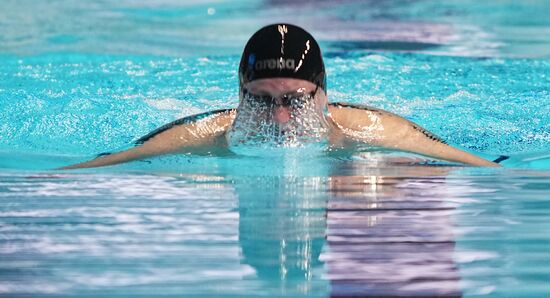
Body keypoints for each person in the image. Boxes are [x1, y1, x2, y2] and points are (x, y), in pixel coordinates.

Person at [61, 23, 503, 170]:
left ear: (325, 96)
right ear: (238, 96)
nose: (280, 120)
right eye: (259, 100)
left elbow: (485, 167)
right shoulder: (201, 135)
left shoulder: (376, 129)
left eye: (295, 99)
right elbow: (99, 166)